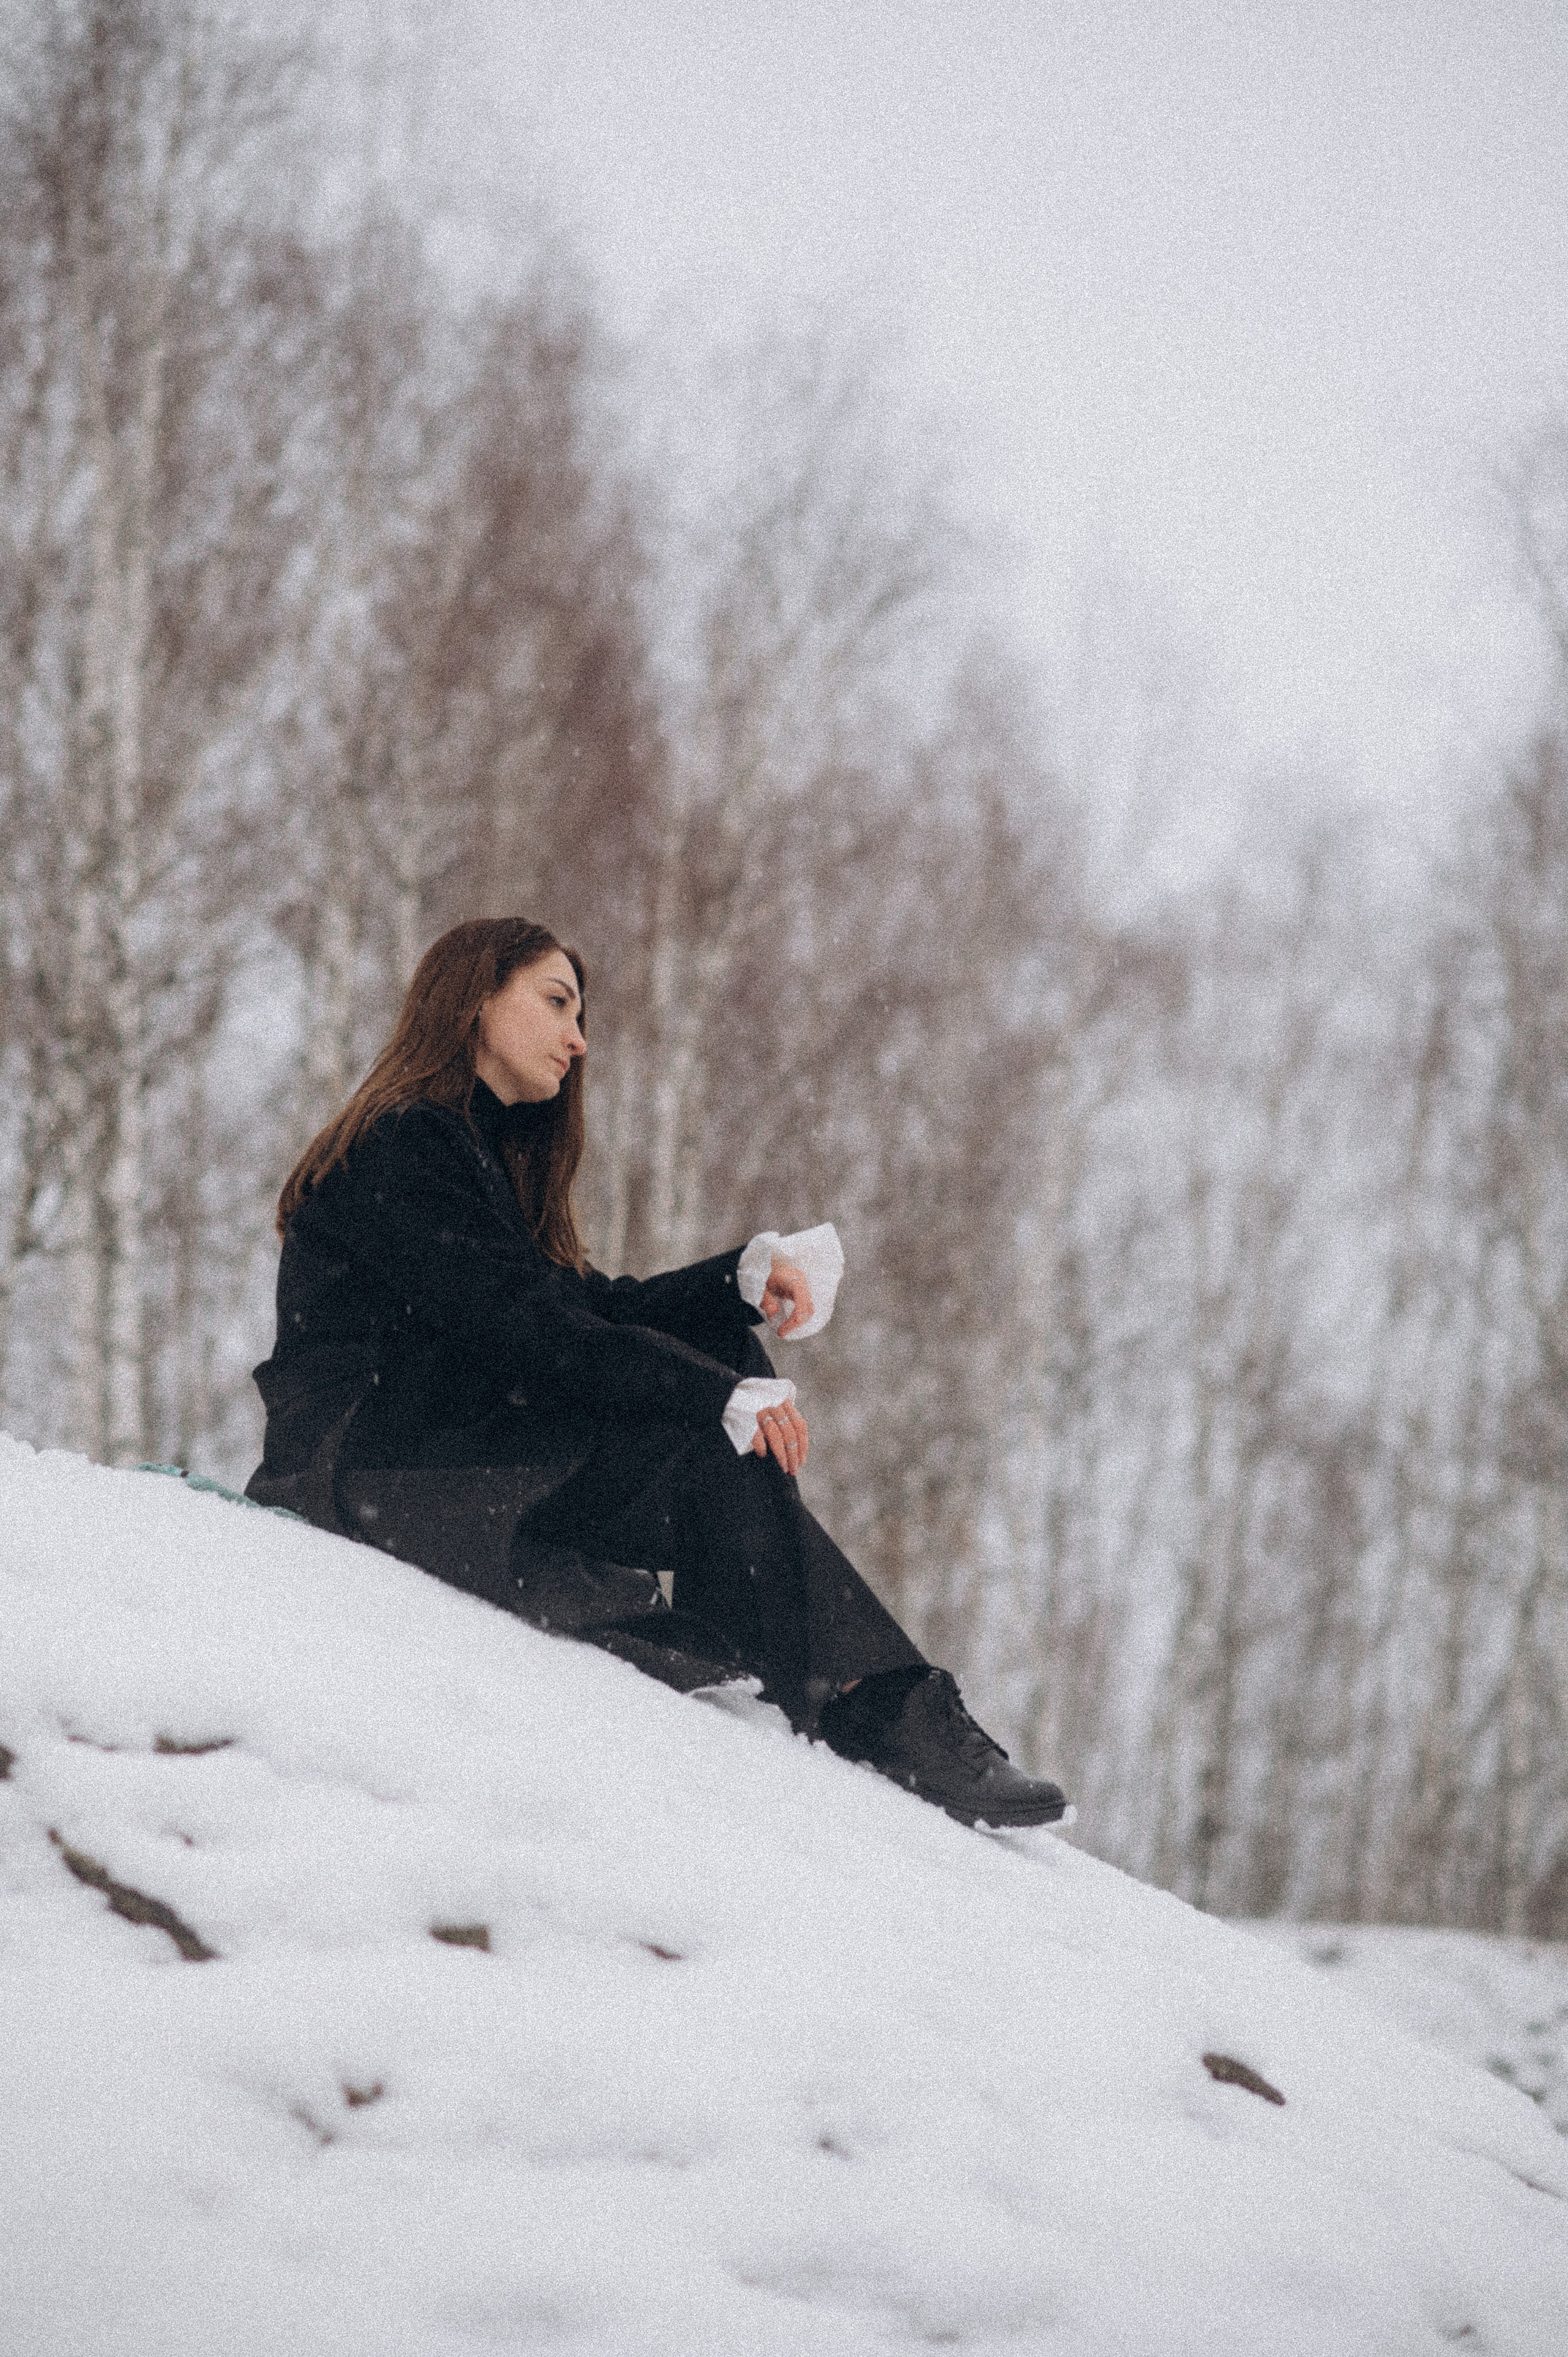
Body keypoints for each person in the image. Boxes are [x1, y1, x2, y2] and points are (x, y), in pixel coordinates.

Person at [246, 918, 1068, 1830]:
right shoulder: (404, 1146)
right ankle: (865, 1698)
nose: (578, 1038)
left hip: (439, 1452)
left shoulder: (468, 1154)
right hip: (370, 1469)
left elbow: (581, 1305)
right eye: (556, 1003)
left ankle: (807, 1680)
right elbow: (536, 1334)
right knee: (710, 1431)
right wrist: (713, 1398)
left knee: (723, 1363)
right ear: (476, 999)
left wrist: (737, 1283)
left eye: (581, 1013)